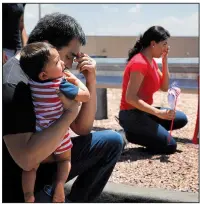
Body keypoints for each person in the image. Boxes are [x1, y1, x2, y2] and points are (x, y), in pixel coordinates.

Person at [3, 13, 124, 203]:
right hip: (22, 181)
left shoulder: (49, 75)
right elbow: (25, 160)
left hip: (48, 158)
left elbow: (82, 128)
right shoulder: (12, 84)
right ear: (46, 47)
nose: (69, 64)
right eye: (68, 56)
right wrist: (70, 112)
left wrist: (90, 79)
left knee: (113, 141)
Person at [20, 42, 90, 202]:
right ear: (44, 74)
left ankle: (28, 195)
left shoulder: (31, 83)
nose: (63, 63)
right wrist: (76, 81)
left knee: (30, 167)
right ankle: (59, 185)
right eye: (58, 62)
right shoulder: (60, 84)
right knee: (64, 160)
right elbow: (86, 96)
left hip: (39, 132)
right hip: (59, 133)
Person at [119, 26, 188, 154]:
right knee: (170, 146)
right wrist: (158, 113)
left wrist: (165, 60)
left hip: (145, 112)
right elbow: (131, 98)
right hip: (131, 114)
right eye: (164, 44)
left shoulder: (152, 61)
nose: (166, 48)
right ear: (153, 44)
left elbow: (164, 87)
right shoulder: (139, 63)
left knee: (181, 118)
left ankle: (149, 132)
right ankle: (128, 135)